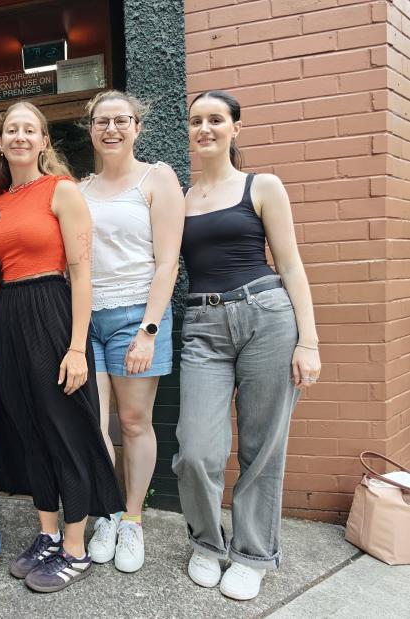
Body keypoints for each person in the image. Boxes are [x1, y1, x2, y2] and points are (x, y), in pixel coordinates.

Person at [173, 90, 321, 601]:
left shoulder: (263, 186)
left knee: (262, 447)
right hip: (202, 325)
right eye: (196, 121)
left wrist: (310, 342)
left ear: (236, 128)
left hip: (266, 316)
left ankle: (253, 553)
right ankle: (207, 544)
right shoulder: (182, 199)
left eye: (216, 120)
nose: (205, 128)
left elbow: (291, 264)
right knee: (196, 449)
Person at [0, 101, 125, 594]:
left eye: (30, 129)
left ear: (44, 141)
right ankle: (46, 534)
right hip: (9, 317)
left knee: (65, 430)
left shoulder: (62, 191)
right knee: (31, 430)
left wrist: (75, 347)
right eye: (11, 130)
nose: (20, 136)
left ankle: (75, 546)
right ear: (0, 142)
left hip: (53, 309)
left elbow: (83, 274)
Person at [79, 90, 184, 573]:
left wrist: (148, 329)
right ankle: (107, 510)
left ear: (137, 127)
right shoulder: (79, 189)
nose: (112, 129)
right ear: (91, 129)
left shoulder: (157, 177)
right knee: (93, 424)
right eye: (102, 121)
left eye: (122, 120)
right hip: (88, 321)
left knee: (134, 423)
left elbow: (167, 263)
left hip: (135, 317)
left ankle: (134, 520)